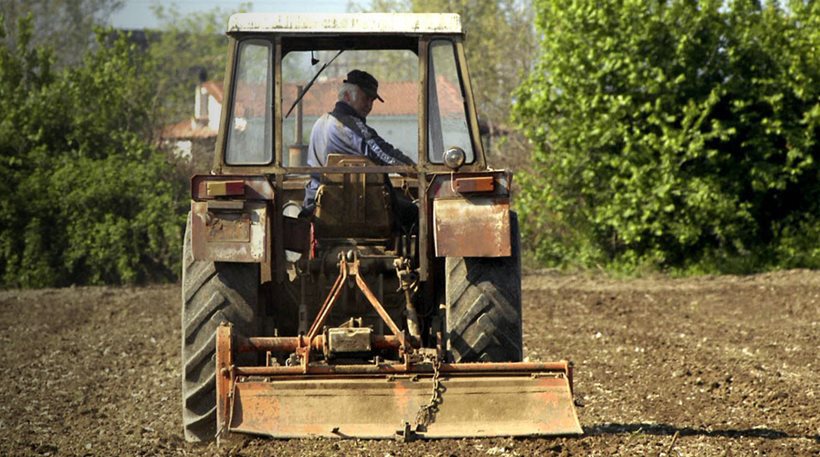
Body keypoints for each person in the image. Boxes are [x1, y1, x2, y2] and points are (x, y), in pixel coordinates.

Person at [301, 70, 417, 232]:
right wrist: (416, 170)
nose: (369, 105)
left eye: (372, 100)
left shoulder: (321, 122)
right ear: (347, 96)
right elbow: (384, 154)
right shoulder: (350, 126)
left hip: (319, 204)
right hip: (350, 205)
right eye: (365, 98)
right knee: (414, 212)